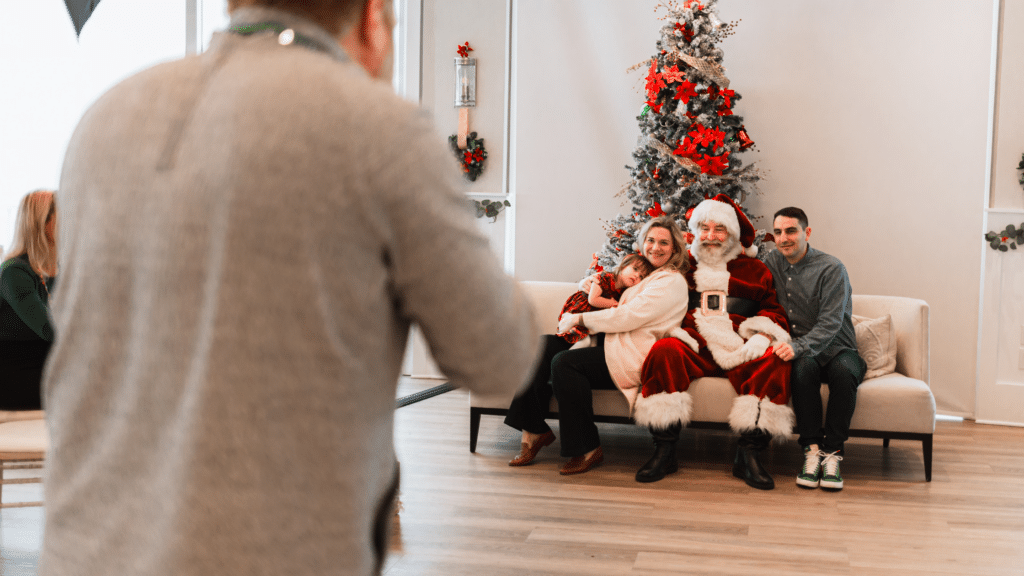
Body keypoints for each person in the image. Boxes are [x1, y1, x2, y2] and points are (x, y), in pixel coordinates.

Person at [39, 2, 540, 575]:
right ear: (373, 17)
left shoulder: (105, 118)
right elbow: (499, 356)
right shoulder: (377, 128)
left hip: (85, 551)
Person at [504, 216, 690, 475]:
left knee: (565, 364)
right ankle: (533, 429)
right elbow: (611, 284)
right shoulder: (648, 274)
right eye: (650, 240)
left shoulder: (670, 281)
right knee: (542, 346)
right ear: (642, 242)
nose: (655, 247)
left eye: (663, 243)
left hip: (631, 352)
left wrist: (579, 318)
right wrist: (588, 283)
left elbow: (628, 316)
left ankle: (588, 448)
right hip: (612, 340)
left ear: (675, 249)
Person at [637, 194, 793, 489]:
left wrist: (761, 335)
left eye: (719, 229)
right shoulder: (681, 266)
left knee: (774, 360)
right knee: (665, 350)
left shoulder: (756, 271)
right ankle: (664, 449)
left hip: (738, 345)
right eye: (704, 228)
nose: (710, 236)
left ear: (732, 234)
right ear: (694, 231)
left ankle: (749, 454)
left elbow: (774, 311)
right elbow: (639, 285)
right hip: (693, 342)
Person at [765, 207, 865, 491]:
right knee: (802, 370)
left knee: (845, 373)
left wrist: (797, 346)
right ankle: (811, 450)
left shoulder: (832, 268)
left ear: (807, 233)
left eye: (791, 231)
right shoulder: (772, 261)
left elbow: (831, 322)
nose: (783, 238)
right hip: (805, 353)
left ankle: (832, 453)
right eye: (778, 232)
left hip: (838, 347)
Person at [0, 190, 57, 410]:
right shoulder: (14, 272)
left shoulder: (53, 269)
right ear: (44, 224)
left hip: (44, 366)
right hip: (16, 373)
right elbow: (49, 328)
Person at [557, 252, 654, 347]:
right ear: (624, 266)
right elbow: (593, 299)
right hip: (581, 309)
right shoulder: (605, 277)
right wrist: (611, 303)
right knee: (582, 339)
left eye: (641, 277)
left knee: (591, 342)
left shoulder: (622, 292)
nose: (637, 276)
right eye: (635, 269)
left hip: (591, 318)